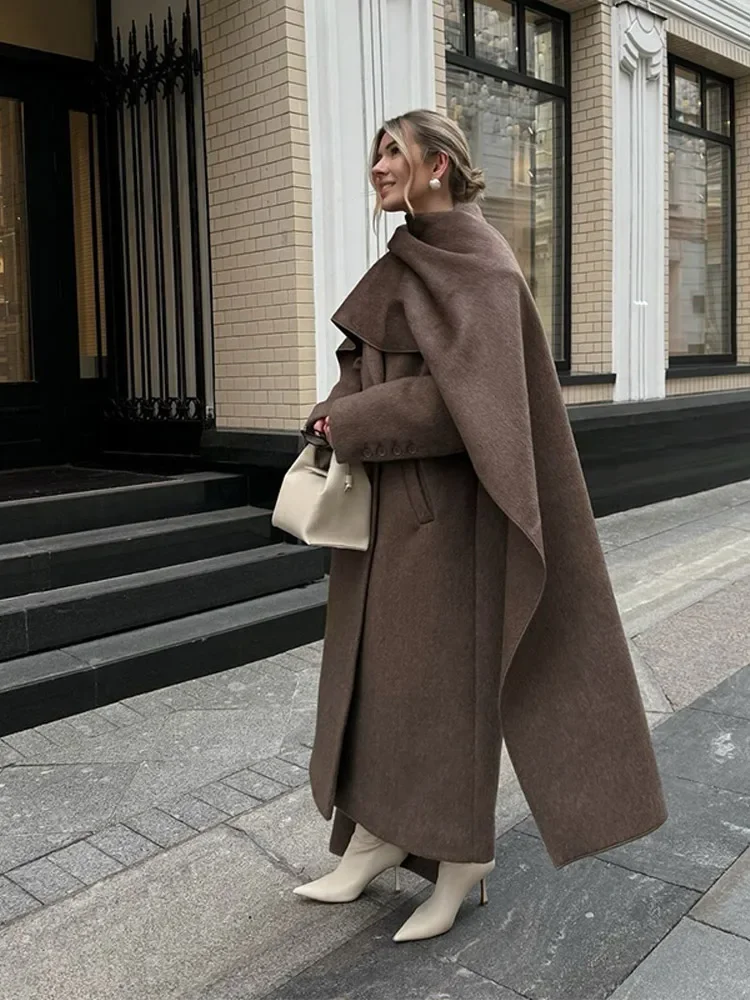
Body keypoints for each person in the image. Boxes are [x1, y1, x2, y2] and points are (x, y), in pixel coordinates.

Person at [293, 109, 667, 943]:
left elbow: (466, 405)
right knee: (376, 682)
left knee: (443, 693)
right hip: (386, 515)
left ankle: (462, 861)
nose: (379, 165)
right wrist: (329, 411)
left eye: (395, 150)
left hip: (452, 524)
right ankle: (378, 837)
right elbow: (368, 365)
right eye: (376, 151)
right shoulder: (401, 262)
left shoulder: (484, 267)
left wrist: (352, 424)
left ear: (440, 165)